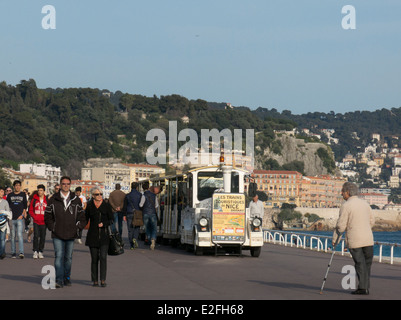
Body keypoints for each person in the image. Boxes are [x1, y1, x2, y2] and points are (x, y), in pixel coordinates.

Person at [333, 182, 375, 295]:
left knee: (359, 263)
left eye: (342, 191)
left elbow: (341, 226)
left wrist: (334, 240)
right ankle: (365, 287)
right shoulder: (365, 204)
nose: (341, 194)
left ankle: (362, 288)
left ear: (347, 192)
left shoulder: (346, 205)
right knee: (367, 264)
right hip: (368, 238)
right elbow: (372, 221)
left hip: (355, 238)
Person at [44, 176, 86, 288]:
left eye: (67, 184)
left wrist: (78, 227)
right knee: (58, 257)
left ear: (70, 185)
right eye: (63, 184)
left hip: (71, 233)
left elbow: (82, 217)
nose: (65, 185)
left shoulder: (76, 200)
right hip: (57, 233)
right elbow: (47, 216)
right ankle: (59, 279)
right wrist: (52, 227)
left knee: (68, 258)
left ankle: (67, 277)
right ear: (60, 185)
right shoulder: (53, 199)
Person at [85, 187, 114, 287]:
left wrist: (104, 224)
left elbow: (111, 219)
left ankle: (102, 280)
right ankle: (95, 280)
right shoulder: (89, 206)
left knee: (103, 257)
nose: (100, 196)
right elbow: (85, 219)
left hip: (104, 235)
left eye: (101, 194)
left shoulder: (106, 205)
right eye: (97, 194)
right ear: (93, 196)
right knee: (94, 258)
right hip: (92, 235)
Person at [7, 180, 27, 259]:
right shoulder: (10, 195)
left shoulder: (23, 194)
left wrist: (22, 215)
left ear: (20, 186)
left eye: (19, 185)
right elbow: (7, 206)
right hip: (12, 218)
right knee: (12, 236)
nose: (17, 187)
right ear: (14, 186)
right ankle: (13, 252)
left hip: (19, 218)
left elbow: (25, 206)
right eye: (16, 185)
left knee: (19, 235)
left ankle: (21, 252)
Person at [28, 185, 48, 259]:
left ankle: (40, 251)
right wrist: (34, 217)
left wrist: (46, 218)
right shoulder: (34, 199)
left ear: (44, 191)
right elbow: (30, 210)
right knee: (36, 236)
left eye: (41, 190)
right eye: (39, 190)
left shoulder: (47, 200)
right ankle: (35, 251)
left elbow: (49, 210)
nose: (40, 192)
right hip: (36, 221)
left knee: (43, 237)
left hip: (44, 222)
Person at [124, 182, 144, 249]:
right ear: (137, 187)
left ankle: (131, 245)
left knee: (130, 229)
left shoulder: (127, 195)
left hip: (129, 213)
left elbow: (125, 206)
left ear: (131, 187)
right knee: (137, 227)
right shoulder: (140, 195)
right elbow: (142, 205)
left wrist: (124, 215)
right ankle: (135, 238)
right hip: (138, 213)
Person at [140, 182, 159, 250]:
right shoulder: (154, 195)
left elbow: (141, 205)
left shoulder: (143, 195)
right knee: (154, 228)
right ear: (148, 187)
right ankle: (153, 239)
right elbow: (156, 205)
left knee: (147, 228)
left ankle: (149, 238)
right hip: (153, 213)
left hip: (145, 214)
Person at [0, 187, 12, 259]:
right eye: (1, 191)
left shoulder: (5, 202)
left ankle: (2, 253)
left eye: (3, 192)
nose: (2, 193)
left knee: (2, 239)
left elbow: (8, 212)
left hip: (3, 224)